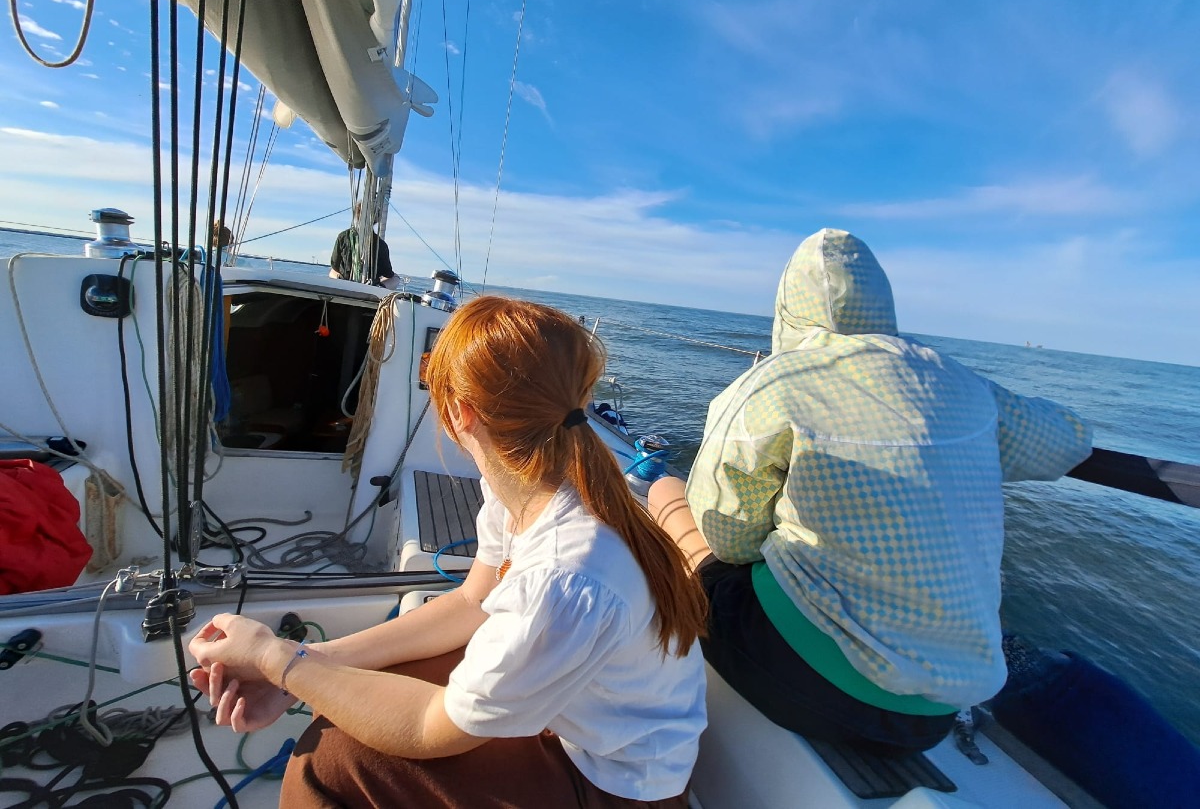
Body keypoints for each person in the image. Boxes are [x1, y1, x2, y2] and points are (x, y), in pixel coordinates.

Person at [189, 295, 708, 807]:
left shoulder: (563, 574)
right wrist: (308, 666)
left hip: (617, 783)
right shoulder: (536, 488)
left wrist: (275, 657)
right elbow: (471, 602)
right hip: (577, 714)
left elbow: (426, 726)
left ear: (461, 414)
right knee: (352, 698)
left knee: (326, 765)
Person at [647, 228, 1093, 757]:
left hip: (800, 682)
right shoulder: (960, 382)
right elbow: (1069, 442)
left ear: (788, 307)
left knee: (667, 492)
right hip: (934, 716)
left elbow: (730, 539)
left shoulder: (775, 382)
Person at [329, 202, 400, 288]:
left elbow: (335, 265)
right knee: (396, 278)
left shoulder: (343, 236)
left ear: (357, 215)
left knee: (332, 271)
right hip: (369, 287)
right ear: (376, 220)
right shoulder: (381, 245)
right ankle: (378, 287)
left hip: (344, 284)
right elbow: (388, 273)